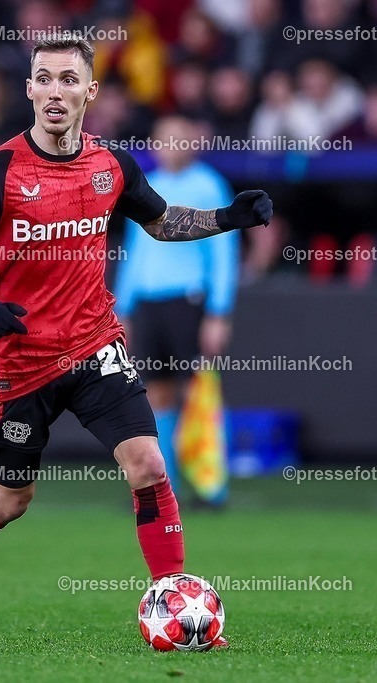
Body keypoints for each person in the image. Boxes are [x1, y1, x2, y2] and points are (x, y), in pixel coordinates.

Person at [0, 36, 272, 644]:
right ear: (29, 89)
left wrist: (225, 219)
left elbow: (160, 221)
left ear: (89, 92)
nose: (55, 91)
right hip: (22, 360)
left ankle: (173, 597)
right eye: (43, 78)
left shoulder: (111, 166)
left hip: (96, 345)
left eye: (68, 80)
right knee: (11, 499)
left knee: (149, 464)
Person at [113, 115, 237, 500]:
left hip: (188, 300)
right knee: (155, 393)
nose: (172, 146)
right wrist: (122, 307)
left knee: (199, 390)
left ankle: (210, 484)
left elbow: (223, 251)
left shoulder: (208, 185)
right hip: (148, 303)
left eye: (179, 139)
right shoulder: (147, 187)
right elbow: (135, 252)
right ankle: (162, 483)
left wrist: (219, 311)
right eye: (165, 139)